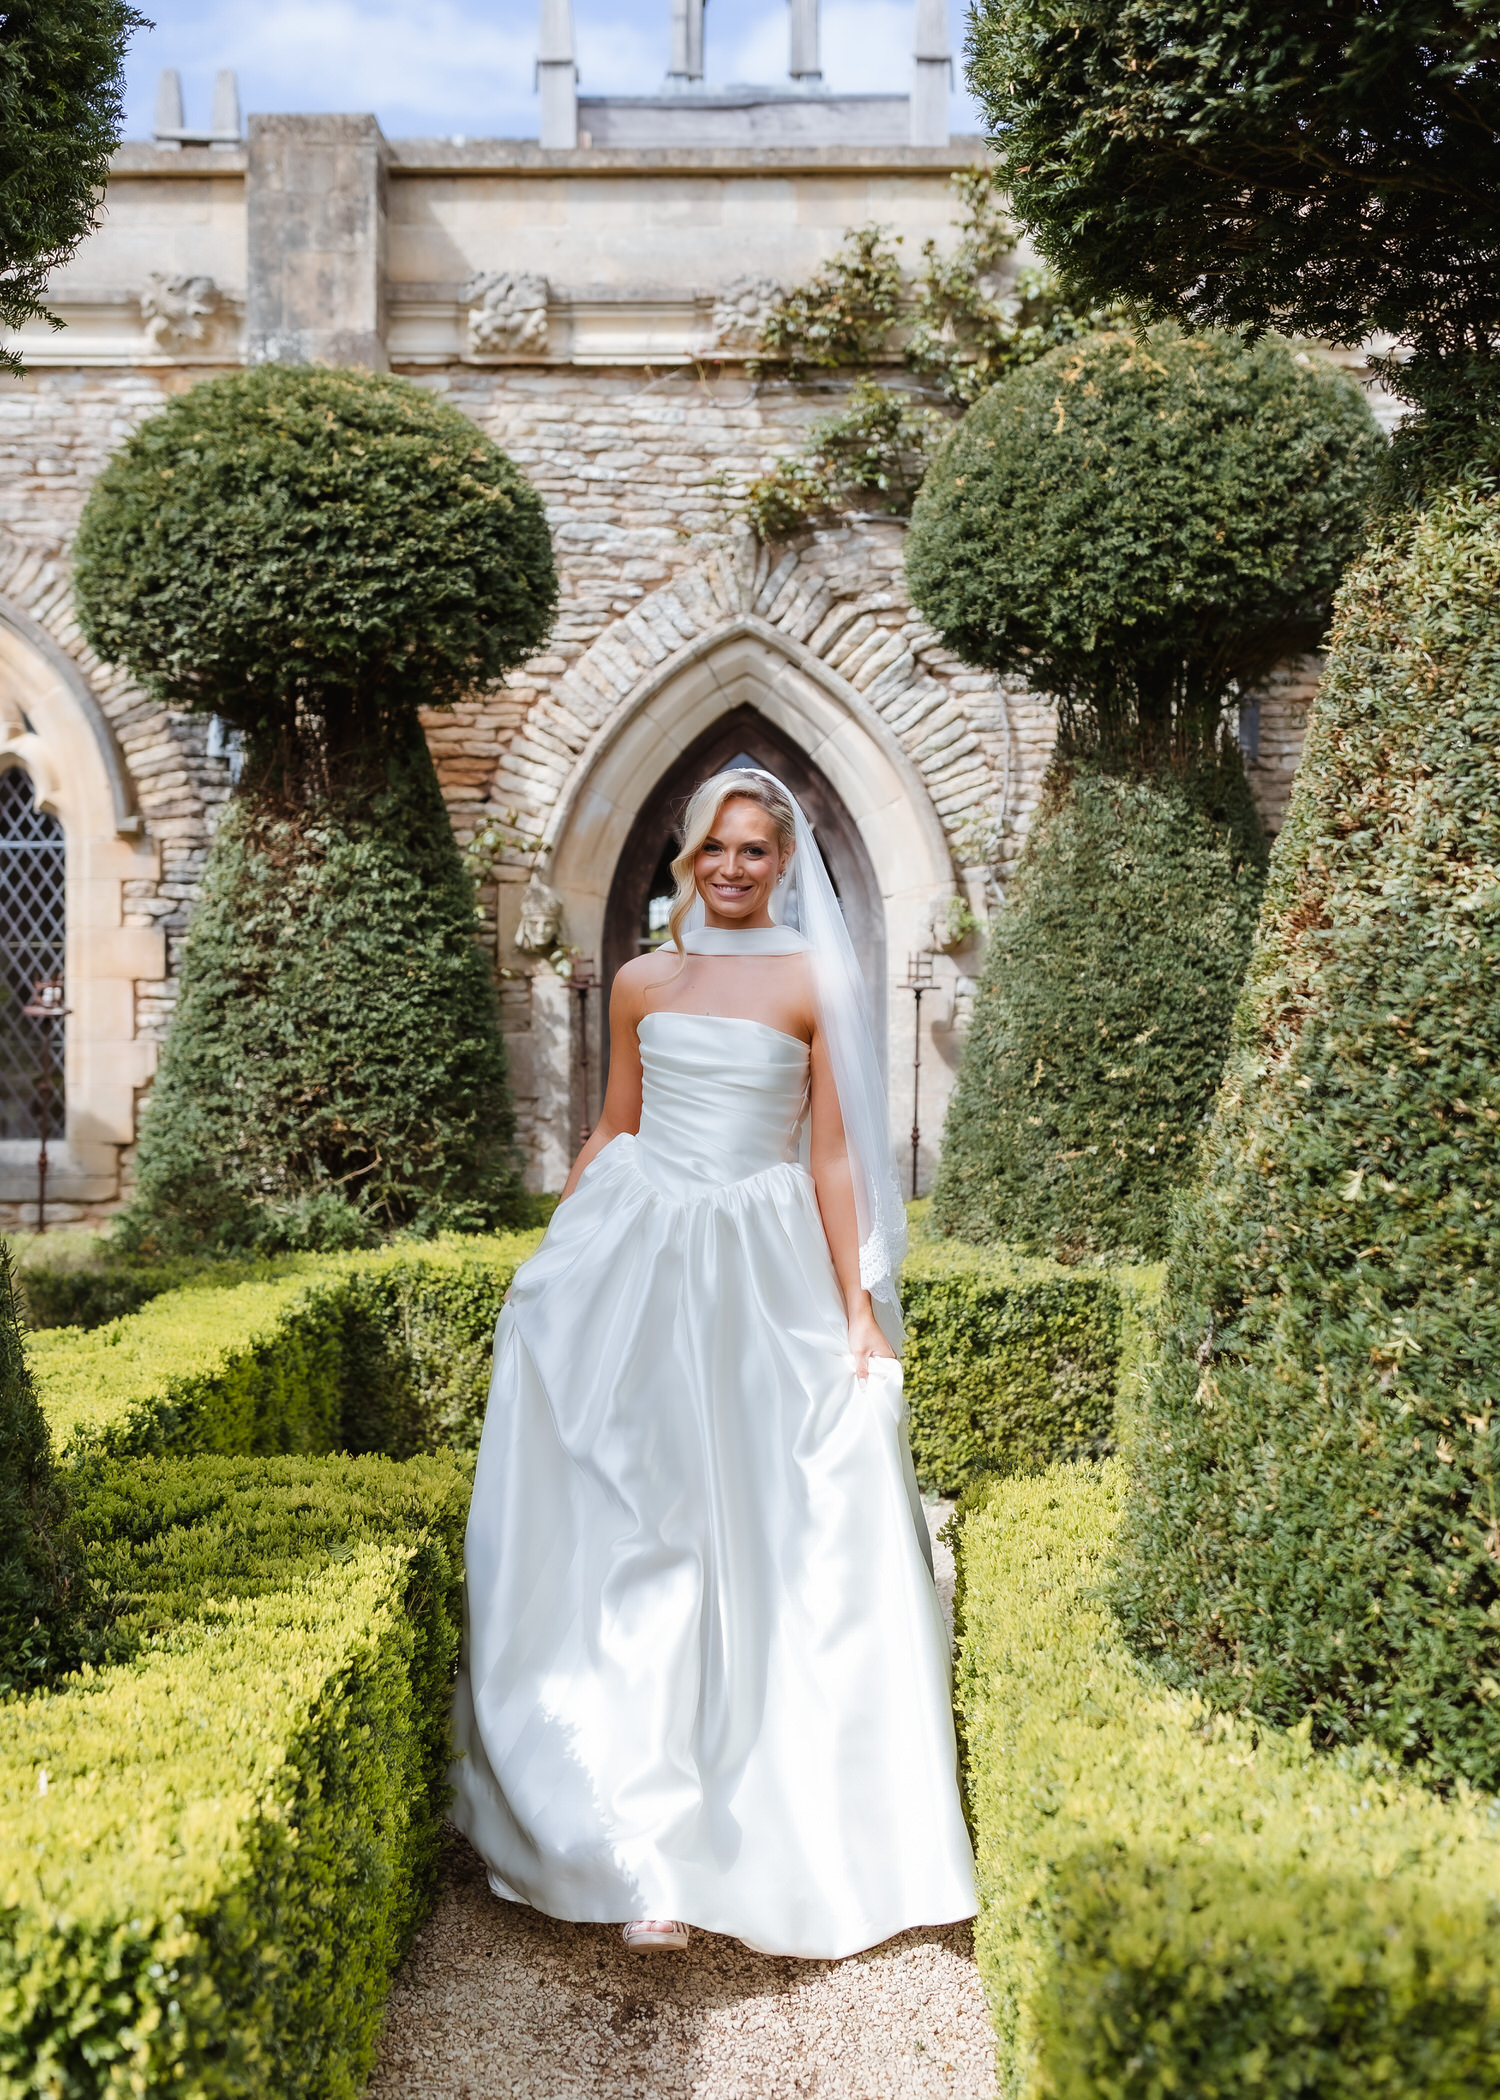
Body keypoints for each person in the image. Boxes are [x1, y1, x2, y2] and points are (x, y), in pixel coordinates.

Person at [449, 767, 976, 1958]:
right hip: (636, 1260)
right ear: (686, 855)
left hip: (754, 1267)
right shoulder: (641, 979)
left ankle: (748, 1824)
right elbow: (614, 1124)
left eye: (755, 852)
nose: (733, 868)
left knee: (757, 1526)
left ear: (784, 862)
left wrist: (859, 1309)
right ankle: (642, 1846)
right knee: (633, 1533)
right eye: (715, 850)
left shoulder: (812, 979)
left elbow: (834, 1160)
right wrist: (557, 1254)